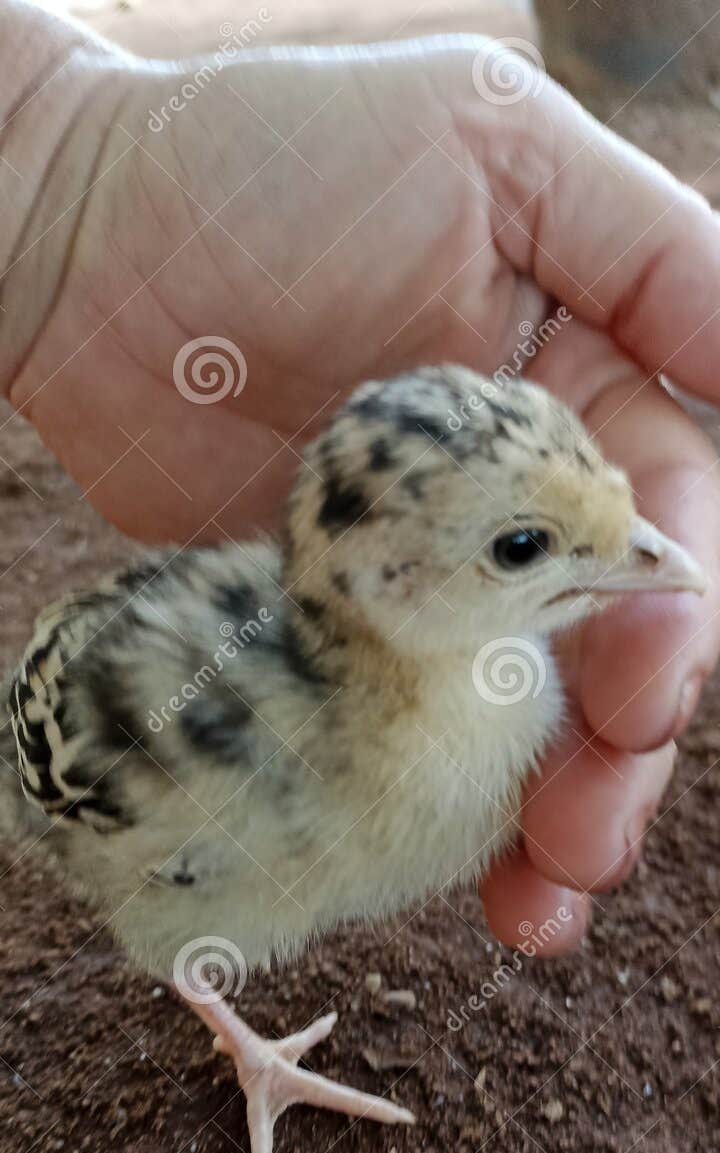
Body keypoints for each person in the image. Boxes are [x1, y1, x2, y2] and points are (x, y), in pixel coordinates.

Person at [1, 0, 718, 952]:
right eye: (518, 548)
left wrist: (61, 150)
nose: (649, 550)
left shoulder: (454, 686)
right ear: (391, 587)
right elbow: (76, 747)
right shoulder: (237, 762)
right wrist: (55, 154)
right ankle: (227, 1020)